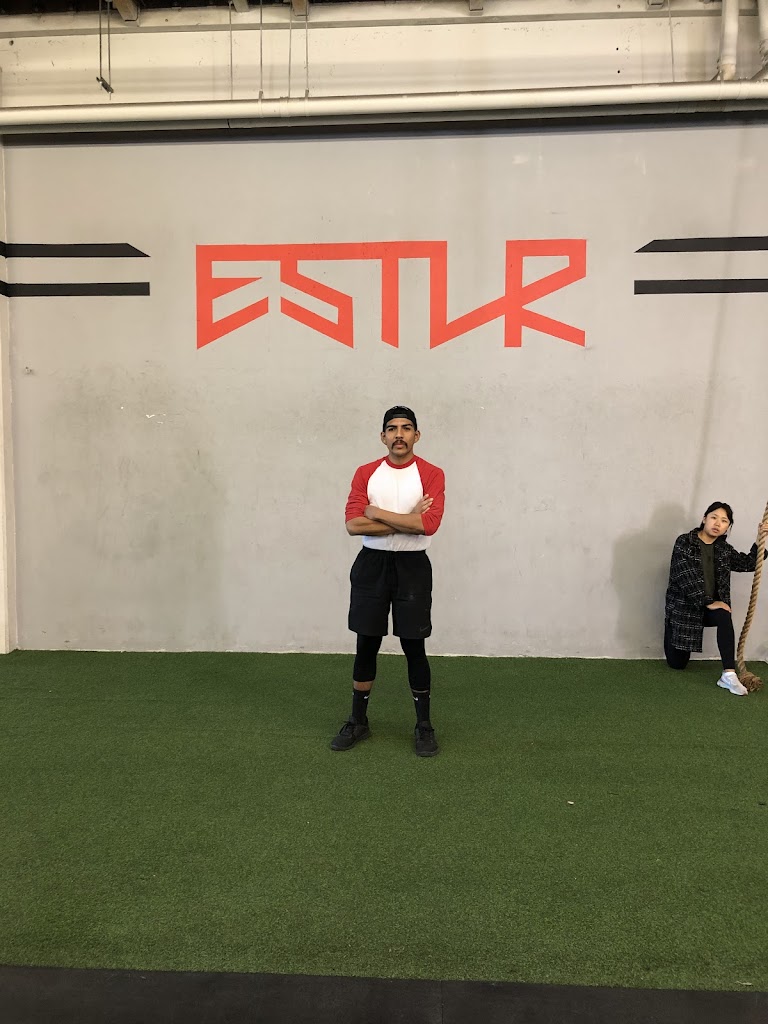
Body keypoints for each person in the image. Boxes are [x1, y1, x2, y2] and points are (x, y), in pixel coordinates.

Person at [331, 406, 446, 756]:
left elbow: (428, 525)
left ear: (416, 435)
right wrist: (408, 519)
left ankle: (423, 725)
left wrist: (378, 513)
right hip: (372, 566)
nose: (399, 434)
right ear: (383, 437)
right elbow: (353, 525)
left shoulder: (431, 474)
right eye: (392, 429)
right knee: (367, 643)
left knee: (414, 645)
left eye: (406, 428)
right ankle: (358, 721)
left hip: (413, 568)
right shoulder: (366, 473)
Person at [664, 502, 768, 695]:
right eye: (714, 517)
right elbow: (685, 578)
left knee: (724, 614)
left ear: (728, 527)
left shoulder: (723, 549)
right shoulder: (684, 542)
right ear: (704, 519)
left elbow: (747, 563)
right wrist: (709, 602)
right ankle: (671, 630)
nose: (718, 523)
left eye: (724, 521)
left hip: (710, 610)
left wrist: (759, 538)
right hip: (685, 611)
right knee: (677, 664)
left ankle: (728, 674)